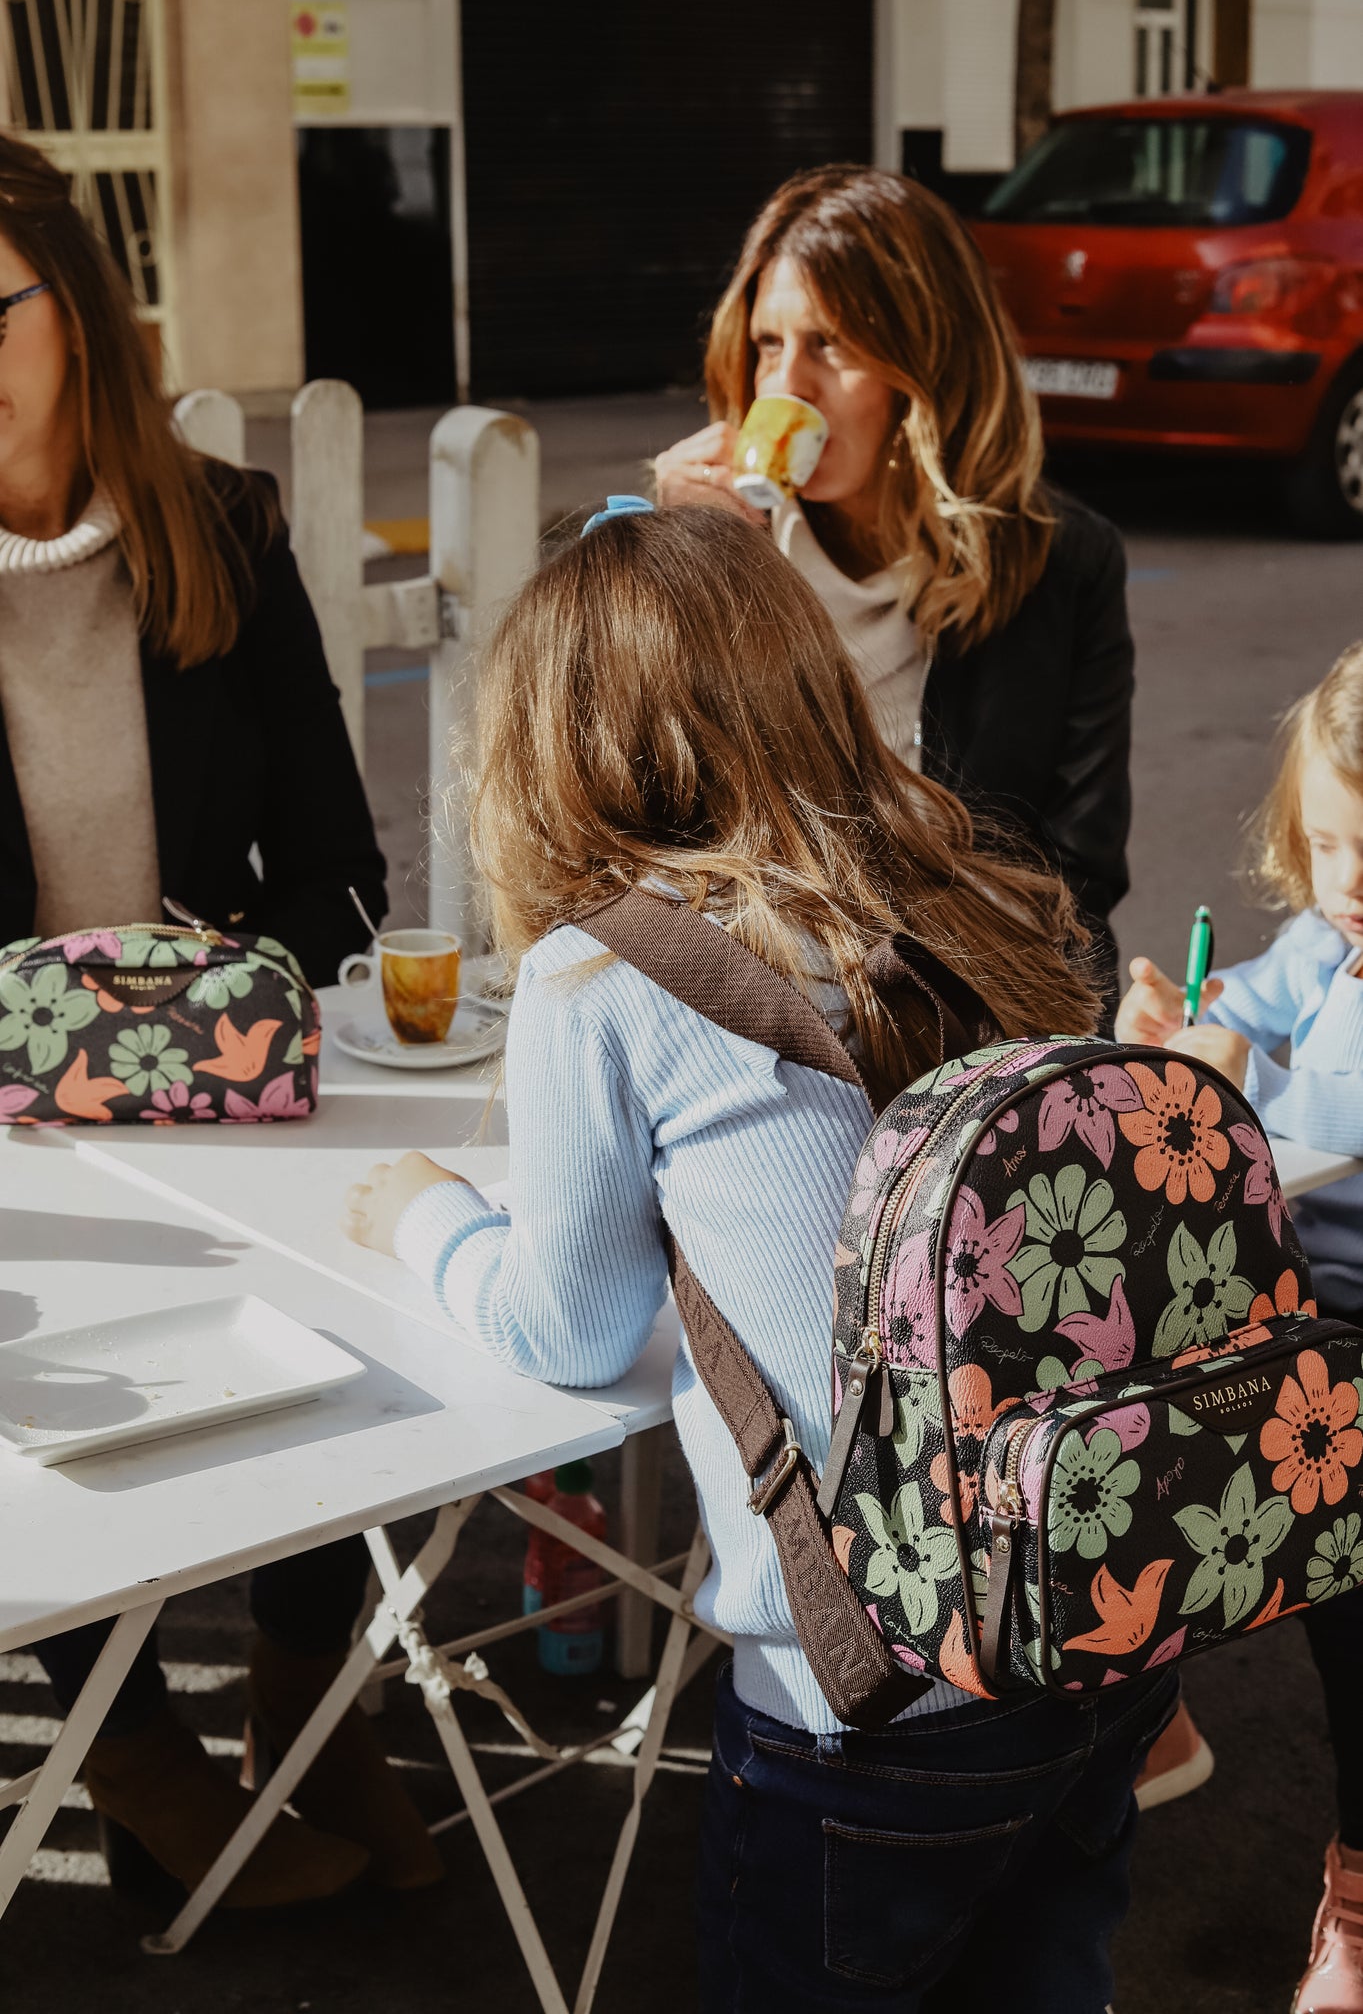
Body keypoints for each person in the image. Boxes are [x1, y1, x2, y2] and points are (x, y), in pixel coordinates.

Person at [345, 502, 1176, 2012]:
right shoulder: (985, 892)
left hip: (866, 1691)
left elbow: (570, 1326)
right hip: (1089, 1621)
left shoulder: (600, 972)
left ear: (552, 746)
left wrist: (419, 1212)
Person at [0, 132, 438, 1904]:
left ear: (75, 315)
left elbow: (342, 871)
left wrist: (204, 987)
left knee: (361, 1307)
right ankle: (131, 1761)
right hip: (8, 1119)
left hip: (217, 1083)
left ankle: (305, 1692)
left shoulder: (226, 532)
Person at [654, 165, 1134, 1009]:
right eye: (769, 345)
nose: (786, 387)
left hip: (971, 1014)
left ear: (928, 358)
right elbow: (638, 821)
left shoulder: (1062, 563)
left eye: (830, 344)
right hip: (754, 1012)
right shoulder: (720, 536)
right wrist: (676, 569)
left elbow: (1075, 876)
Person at [1116, 639, 1363, 2014]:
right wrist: (1189, 1020)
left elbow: (1326, 1110)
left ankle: (1356, 1885)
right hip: (1288, 1328)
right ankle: (1131, 1696)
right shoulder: (1327, 940)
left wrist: (1240, 1077)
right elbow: (1252, 1007)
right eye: (1324, 843)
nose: (1347, 885)